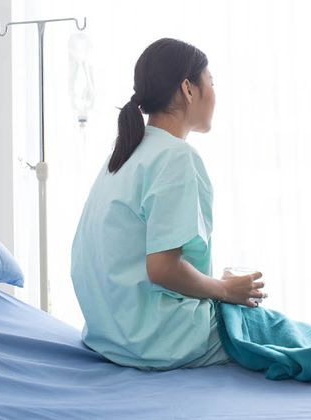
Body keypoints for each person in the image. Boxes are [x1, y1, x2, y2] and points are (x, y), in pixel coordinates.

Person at [70, 38, 267, 371]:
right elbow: (161, 269)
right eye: (212, 82)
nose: (215, 93)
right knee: (279, 331)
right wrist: (222, 290)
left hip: (110, 336)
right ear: (188, 89)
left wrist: (216, 286)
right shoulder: (176, 157)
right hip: (158, 340)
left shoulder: (124, 156)